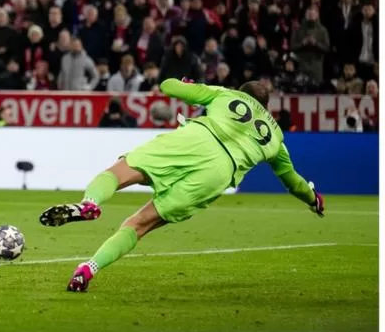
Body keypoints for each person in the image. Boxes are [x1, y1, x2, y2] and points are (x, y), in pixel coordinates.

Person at [39, 78, 325, 292]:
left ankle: (91, 203)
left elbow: (168, 86)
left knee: (120, 171)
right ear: (267, 107)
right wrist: (313, 198)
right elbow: (293, 181)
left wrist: (187, 83)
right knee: (138, 224)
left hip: (195, 139)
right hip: (218, 173)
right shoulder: (276, 139)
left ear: (241, 92)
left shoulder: (224, 94)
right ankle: (87, 270)